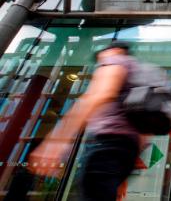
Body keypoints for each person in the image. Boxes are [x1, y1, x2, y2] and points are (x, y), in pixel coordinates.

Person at [29, 41, 143, 201]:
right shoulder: (138, 74)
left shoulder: (115, 62)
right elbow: (144, 131)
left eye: (101, 55)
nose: (100, 60)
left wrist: (56, 140)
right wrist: (123, 172)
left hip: (105, 146)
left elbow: (99, 95)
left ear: (115, 50)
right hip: (126, 149)